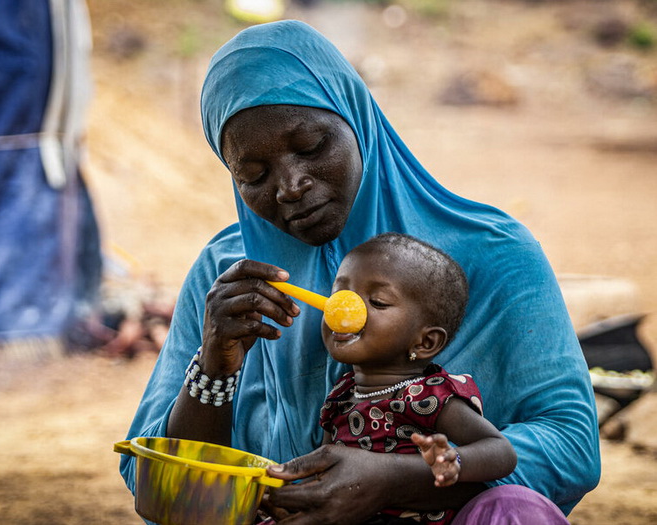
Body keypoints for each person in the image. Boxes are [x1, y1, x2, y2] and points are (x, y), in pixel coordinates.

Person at [120, 20, 600, 524]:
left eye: (311, 148)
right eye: (254, 175)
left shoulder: (491, 253)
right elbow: (154, 485)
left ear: (359, 121)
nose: (290, 186)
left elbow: (569, 444)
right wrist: (214, 367)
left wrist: (397, 479)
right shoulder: (229, 277)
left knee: (513, 510)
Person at [261, 232, 517, 525]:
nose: (344, 309)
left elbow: (501, 451)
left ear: (425, 342)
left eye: (378, 302)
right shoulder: (341, 395)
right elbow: (327, 465)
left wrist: (453, 462)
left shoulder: (429, 395)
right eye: (339, 296)